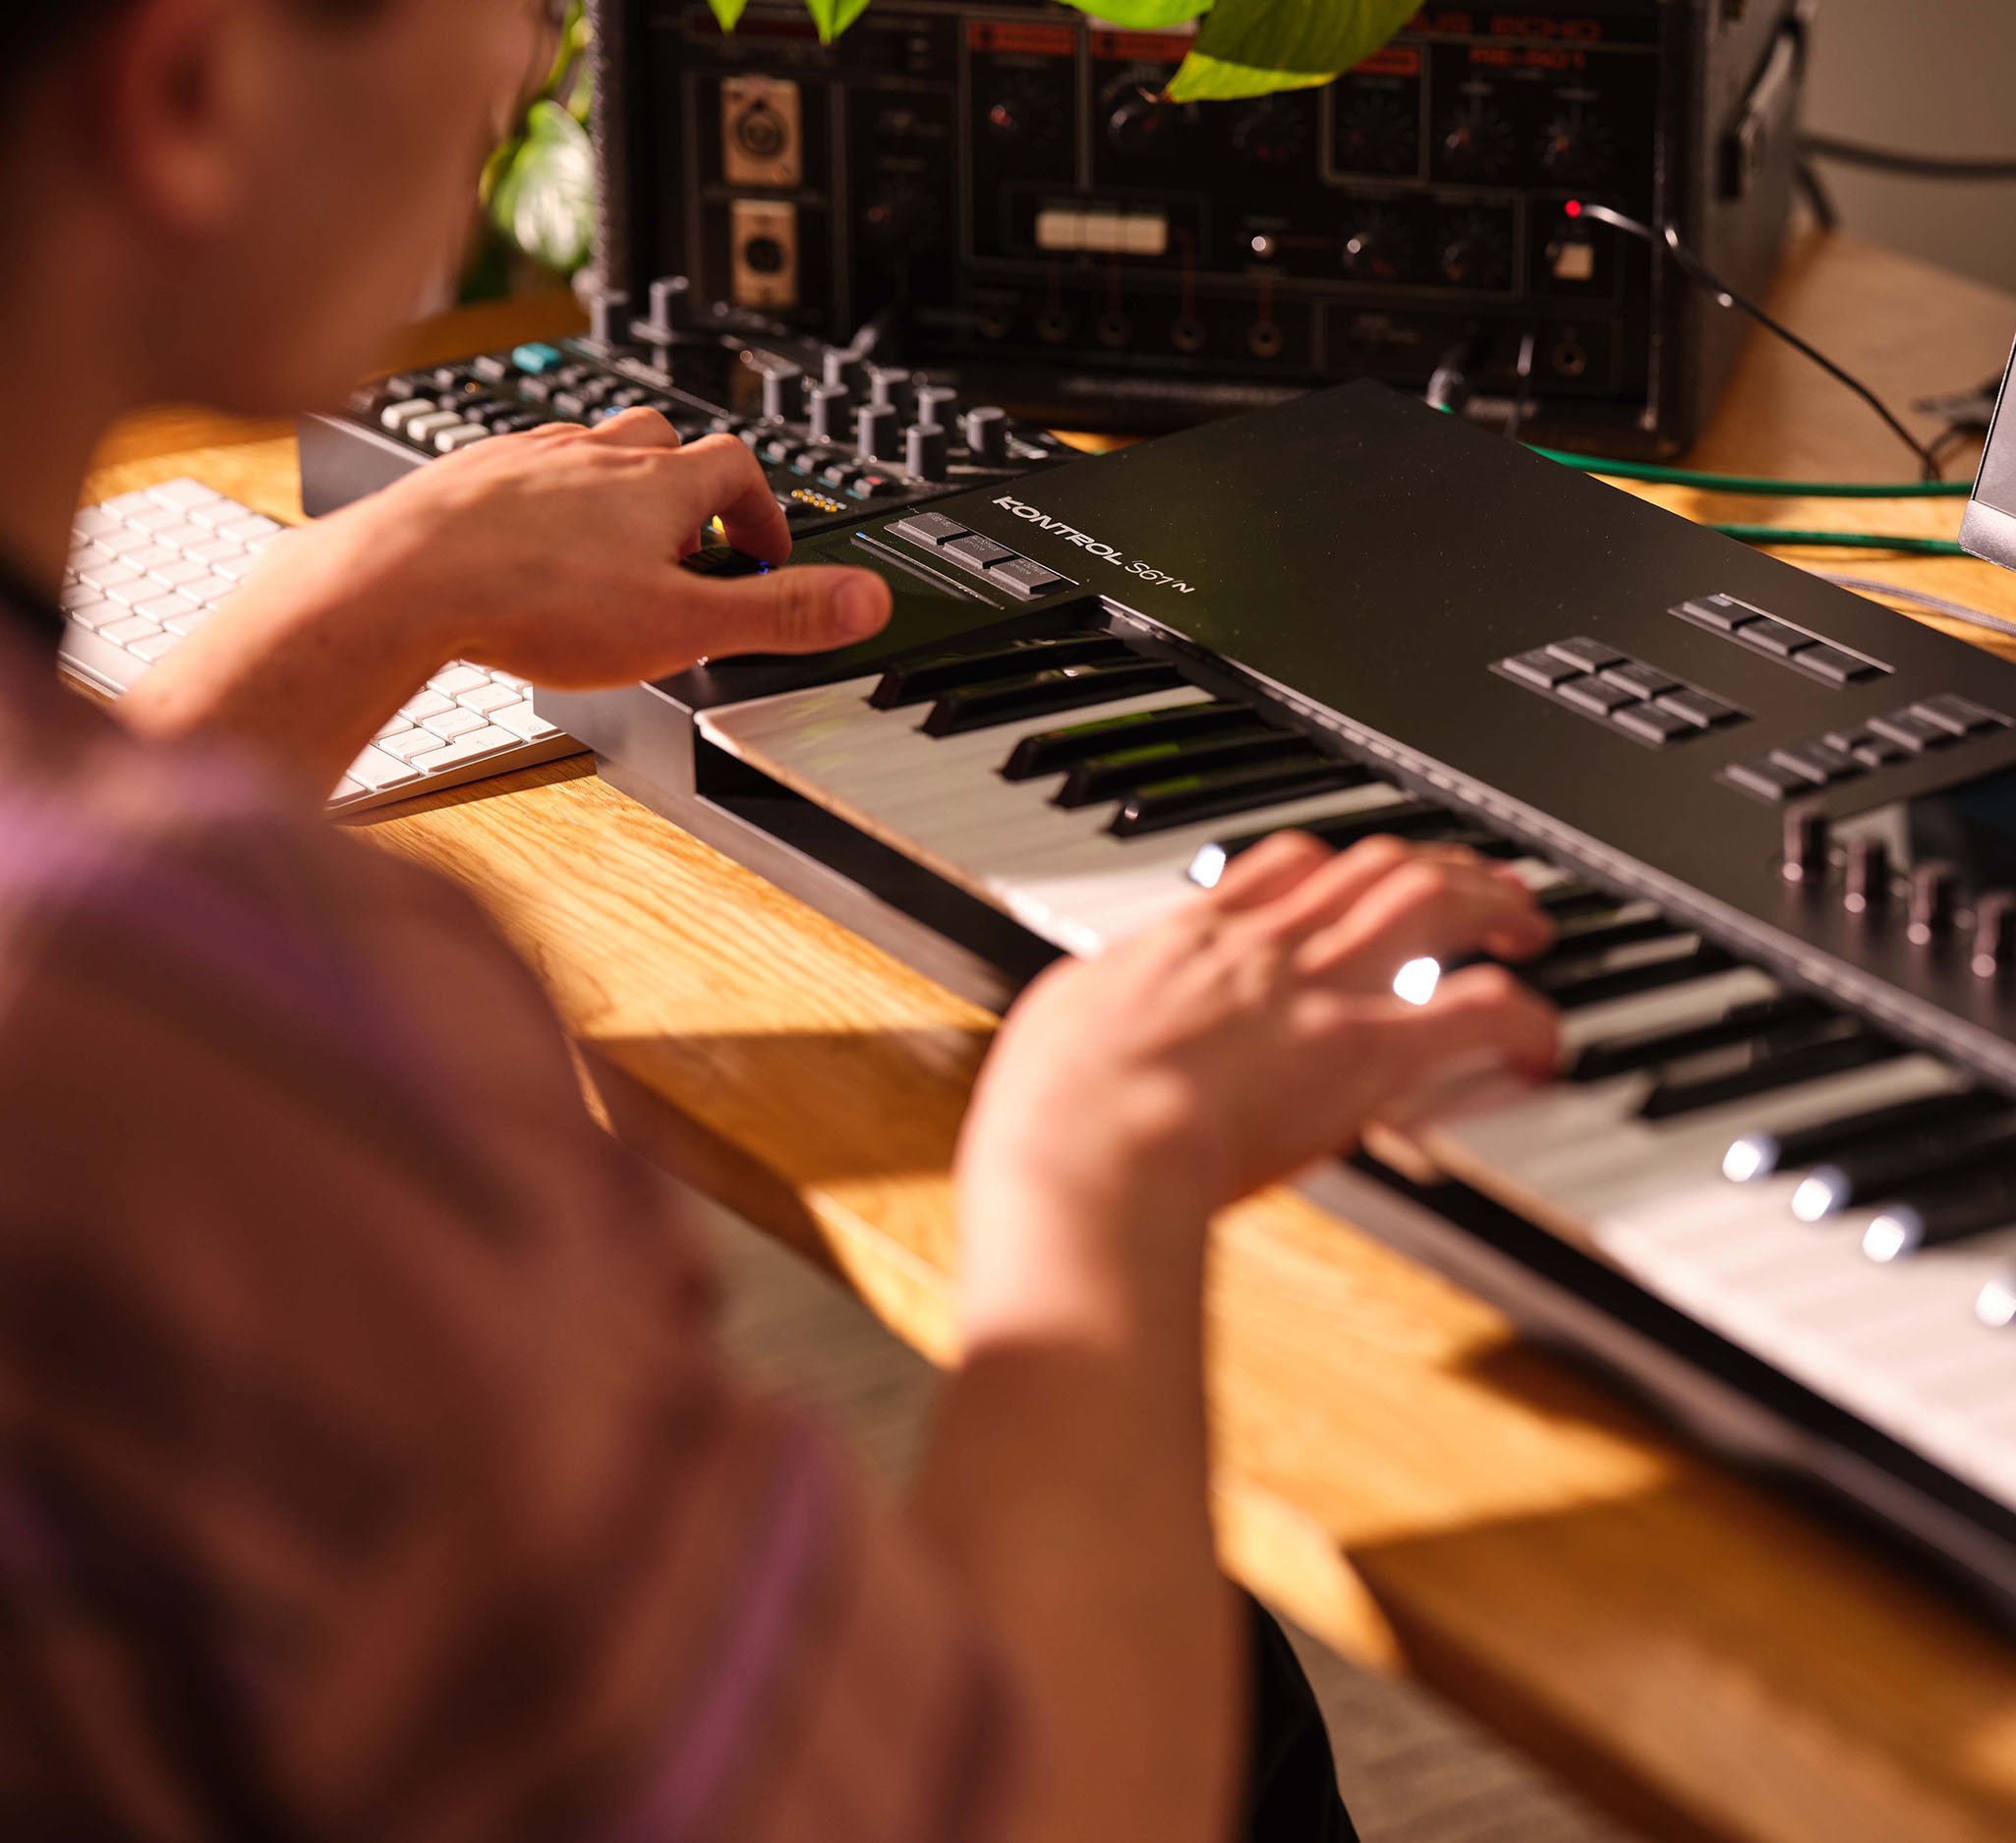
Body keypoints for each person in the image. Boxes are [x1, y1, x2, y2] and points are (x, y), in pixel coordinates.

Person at [0, 4, 1562, 1839]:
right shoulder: (241, 1007)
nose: (529, 49)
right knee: (1220, 1695)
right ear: (193, 94)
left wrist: (353, 600)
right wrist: (1099, 1162)